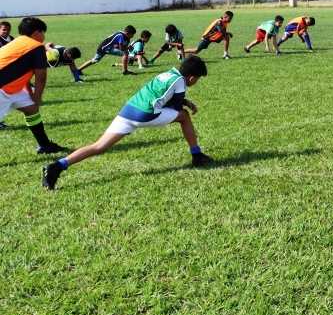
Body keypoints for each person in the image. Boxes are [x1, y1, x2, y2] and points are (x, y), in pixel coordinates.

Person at [43, 56, 213, 190]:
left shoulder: (168, 73)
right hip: (145, 115)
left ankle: (57, 166)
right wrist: (186, 104)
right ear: (191, 77)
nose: (195, 82)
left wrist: (185, 101)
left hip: (129, 110)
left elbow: (163, 97)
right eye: (197, 79)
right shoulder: (181, 82)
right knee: (184, 116)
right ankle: (197, 155)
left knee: (99, 146)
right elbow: (175, 105)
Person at [0, 17, 64, 154]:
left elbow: (22, 74)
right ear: (36, 33)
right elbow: (41, 76)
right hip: (2, 89)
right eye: (43, 32)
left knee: (31, 109)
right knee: (33, 105)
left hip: (11, 88)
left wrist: (31, 95)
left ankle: (45, 145)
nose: (44, 36)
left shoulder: (17, 42)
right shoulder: (36, 46)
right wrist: (37, 97)